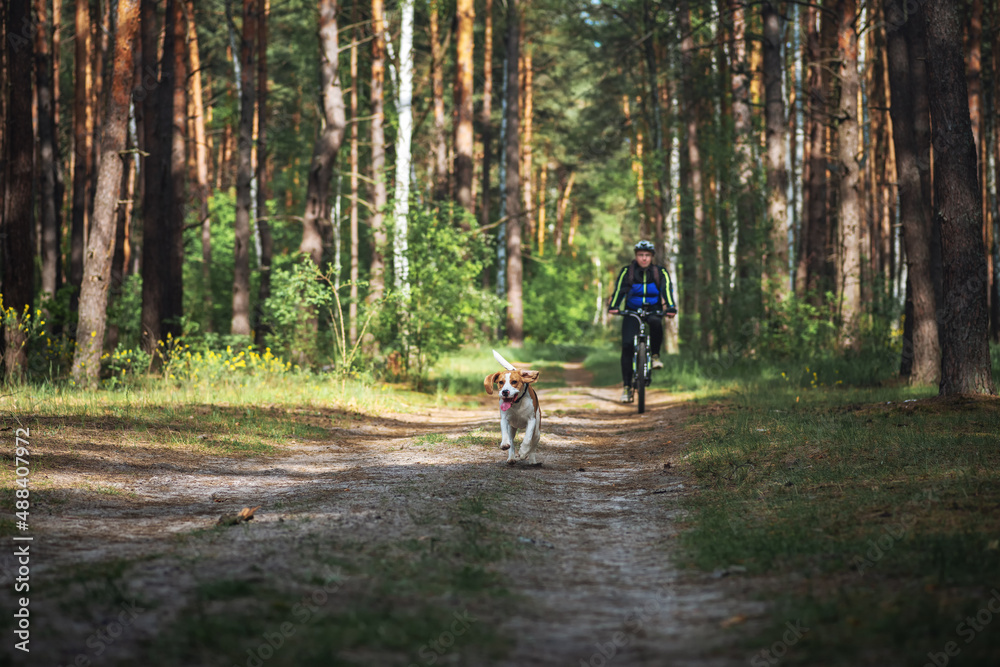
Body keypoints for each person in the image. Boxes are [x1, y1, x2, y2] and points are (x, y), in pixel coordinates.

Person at [607, 240, 677, 403]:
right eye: (640, 255)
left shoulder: (660, 272)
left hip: (653, 309)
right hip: (632, 311)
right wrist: (614, 306)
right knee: (627, 345)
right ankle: (626, 387)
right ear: (636, 256)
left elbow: (667, 290)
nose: (644, 259)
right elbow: (619, 290)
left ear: (652, 257)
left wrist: (671, 307)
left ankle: (654, 356)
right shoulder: (628, 272)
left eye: (647, 255)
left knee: (655, 323)